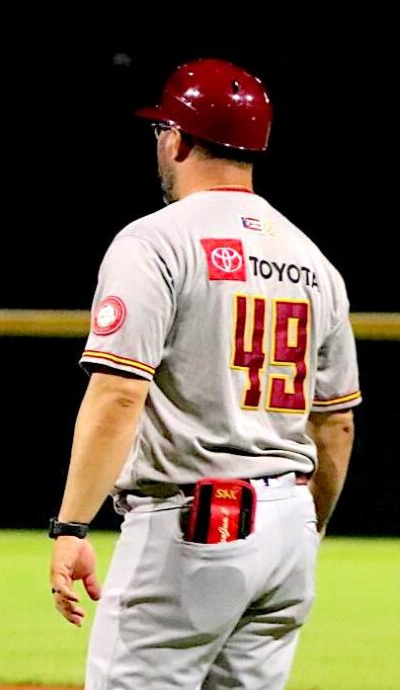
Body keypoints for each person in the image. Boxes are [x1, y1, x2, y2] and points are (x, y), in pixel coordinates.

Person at [46, 58, 361, 689]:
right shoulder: (313, 260)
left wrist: (71, 526)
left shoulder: (155, 241)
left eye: (163, 130)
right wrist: (304, 528)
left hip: (194, 530)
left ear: (178, 139)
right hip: (289, 532)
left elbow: (117, 396)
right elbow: (336, 427)